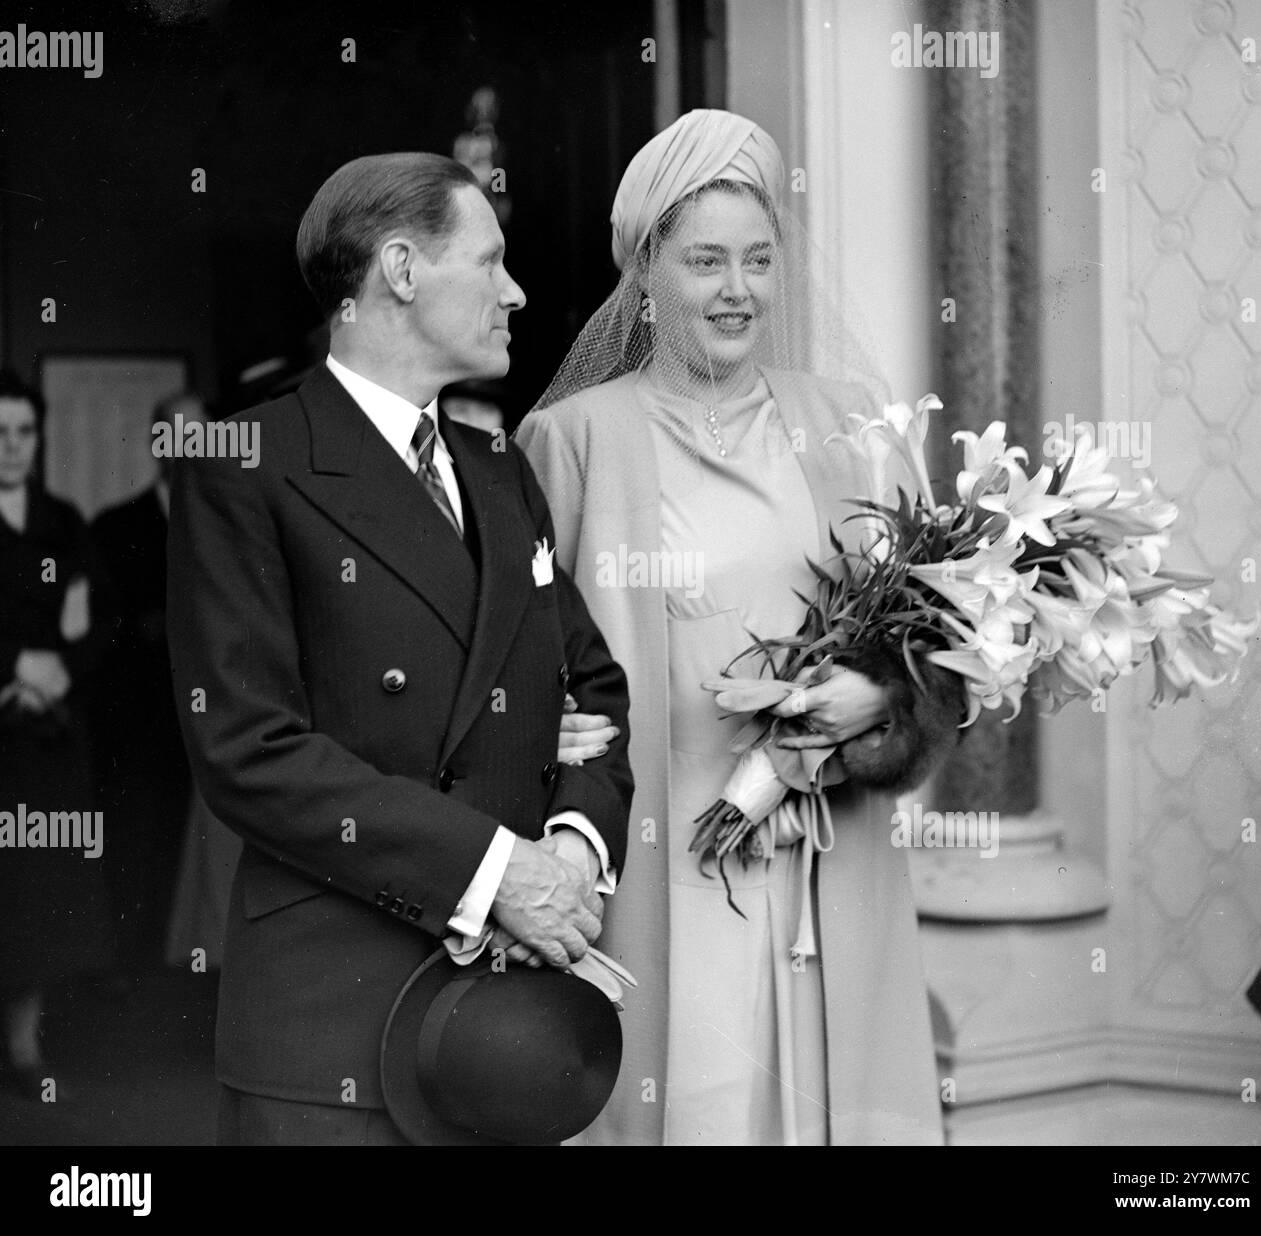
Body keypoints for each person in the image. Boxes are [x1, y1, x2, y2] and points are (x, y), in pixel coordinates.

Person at [166, 152, 634, 1145]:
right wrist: (497, 869)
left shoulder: (500, 470)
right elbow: (250, 751)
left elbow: (590, 689)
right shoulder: (245, 465)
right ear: (402, 269)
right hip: (333, 1028)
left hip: (508, 1025)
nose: (516, 291)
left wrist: (571, 848)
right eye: (491, 261)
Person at [517, 110, 962, 1145]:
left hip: (832, 843)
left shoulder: (851, 422)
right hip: (660, 847)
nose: (738, 289)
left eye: (758, 260)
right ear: (643, 274)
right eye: (706, 260)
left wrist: (884, 701)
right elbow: (531, 669)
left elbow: (938, 639)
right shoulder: (572, 439)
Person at [0, 369, 114, 1099]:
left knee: (38, 903)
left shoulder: (64, 520)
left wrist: (62, 668)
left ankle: (24, 1049)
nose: (11, 447)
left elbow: (98, 621)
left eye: (23, 433)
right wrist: (14, 663)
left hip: (47, 740)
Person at [91, 392, 205, 972]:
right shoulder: (116, 526)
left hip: (211, 720)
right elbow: (105, 627)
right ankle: (133, 964)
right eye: (177, 436)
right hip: (142, 719)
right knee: (140, 838)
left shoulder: (232, 519)